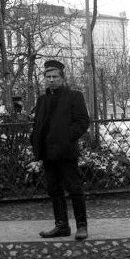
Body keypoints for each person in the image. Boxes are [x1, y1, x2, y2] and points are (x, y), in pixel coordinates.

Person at [30, 60, 91, 240]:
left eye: (55, 76)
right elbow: (38, 124)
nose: (51, 80)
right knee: (54, 189)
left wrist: (66, 137)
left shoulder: (74, 96)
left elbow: (82, 122)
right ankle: (61, 226)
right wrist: (34, 139)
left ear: (62, 78)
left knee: (74, 188)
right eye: (48, 77)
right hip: (48, 153)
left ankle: (82, 226)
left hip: (66, 151)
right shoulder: (42, 99)